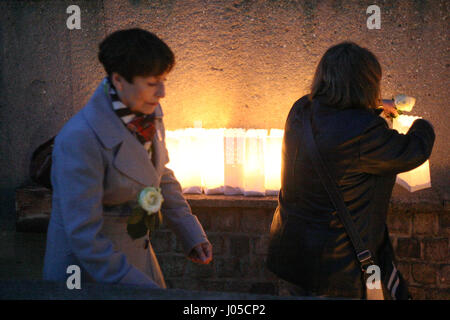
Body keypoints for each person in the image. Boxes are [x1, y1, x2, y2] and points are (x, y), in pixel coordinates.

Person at [43, 28, 212, 288]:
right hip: (89, 271)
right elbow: (84, 237)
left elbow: (160, 173)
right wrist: (140, 288)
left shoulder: (148, 112)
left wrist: (189, 231)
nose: (162, 93)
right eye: (152, 83)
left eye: (164, 80)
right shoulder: (80, 139)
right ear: (119, 80)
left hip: (137, 254)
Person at [266, 42, 435, 299]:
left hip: (292, 255)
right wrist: (422, 124)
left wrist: (378, 106)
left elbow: (337, 122)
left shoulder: (300, 110)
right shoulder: (364, 131)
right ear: (366, 83)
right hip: (337, 267)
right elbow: (413, 150)